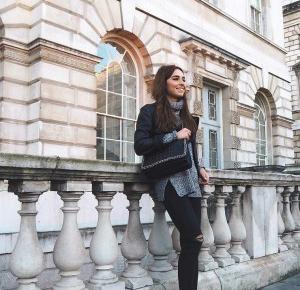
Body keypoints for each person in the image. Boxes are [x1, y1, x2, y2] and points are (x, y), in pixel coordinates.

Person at [134, 64, 209, 290]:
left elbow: (193, 149)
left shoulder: (188, 116)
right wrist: (173, 136)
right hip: (168, 182)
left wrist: (201, 167)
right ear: (163, 82)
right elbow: (140, 145)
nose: (182, 83)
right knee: (195, 236)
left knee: (191, 244)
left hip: (191, 183)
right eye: (176, 78)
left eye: (184, 79)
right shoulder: (150, 111)